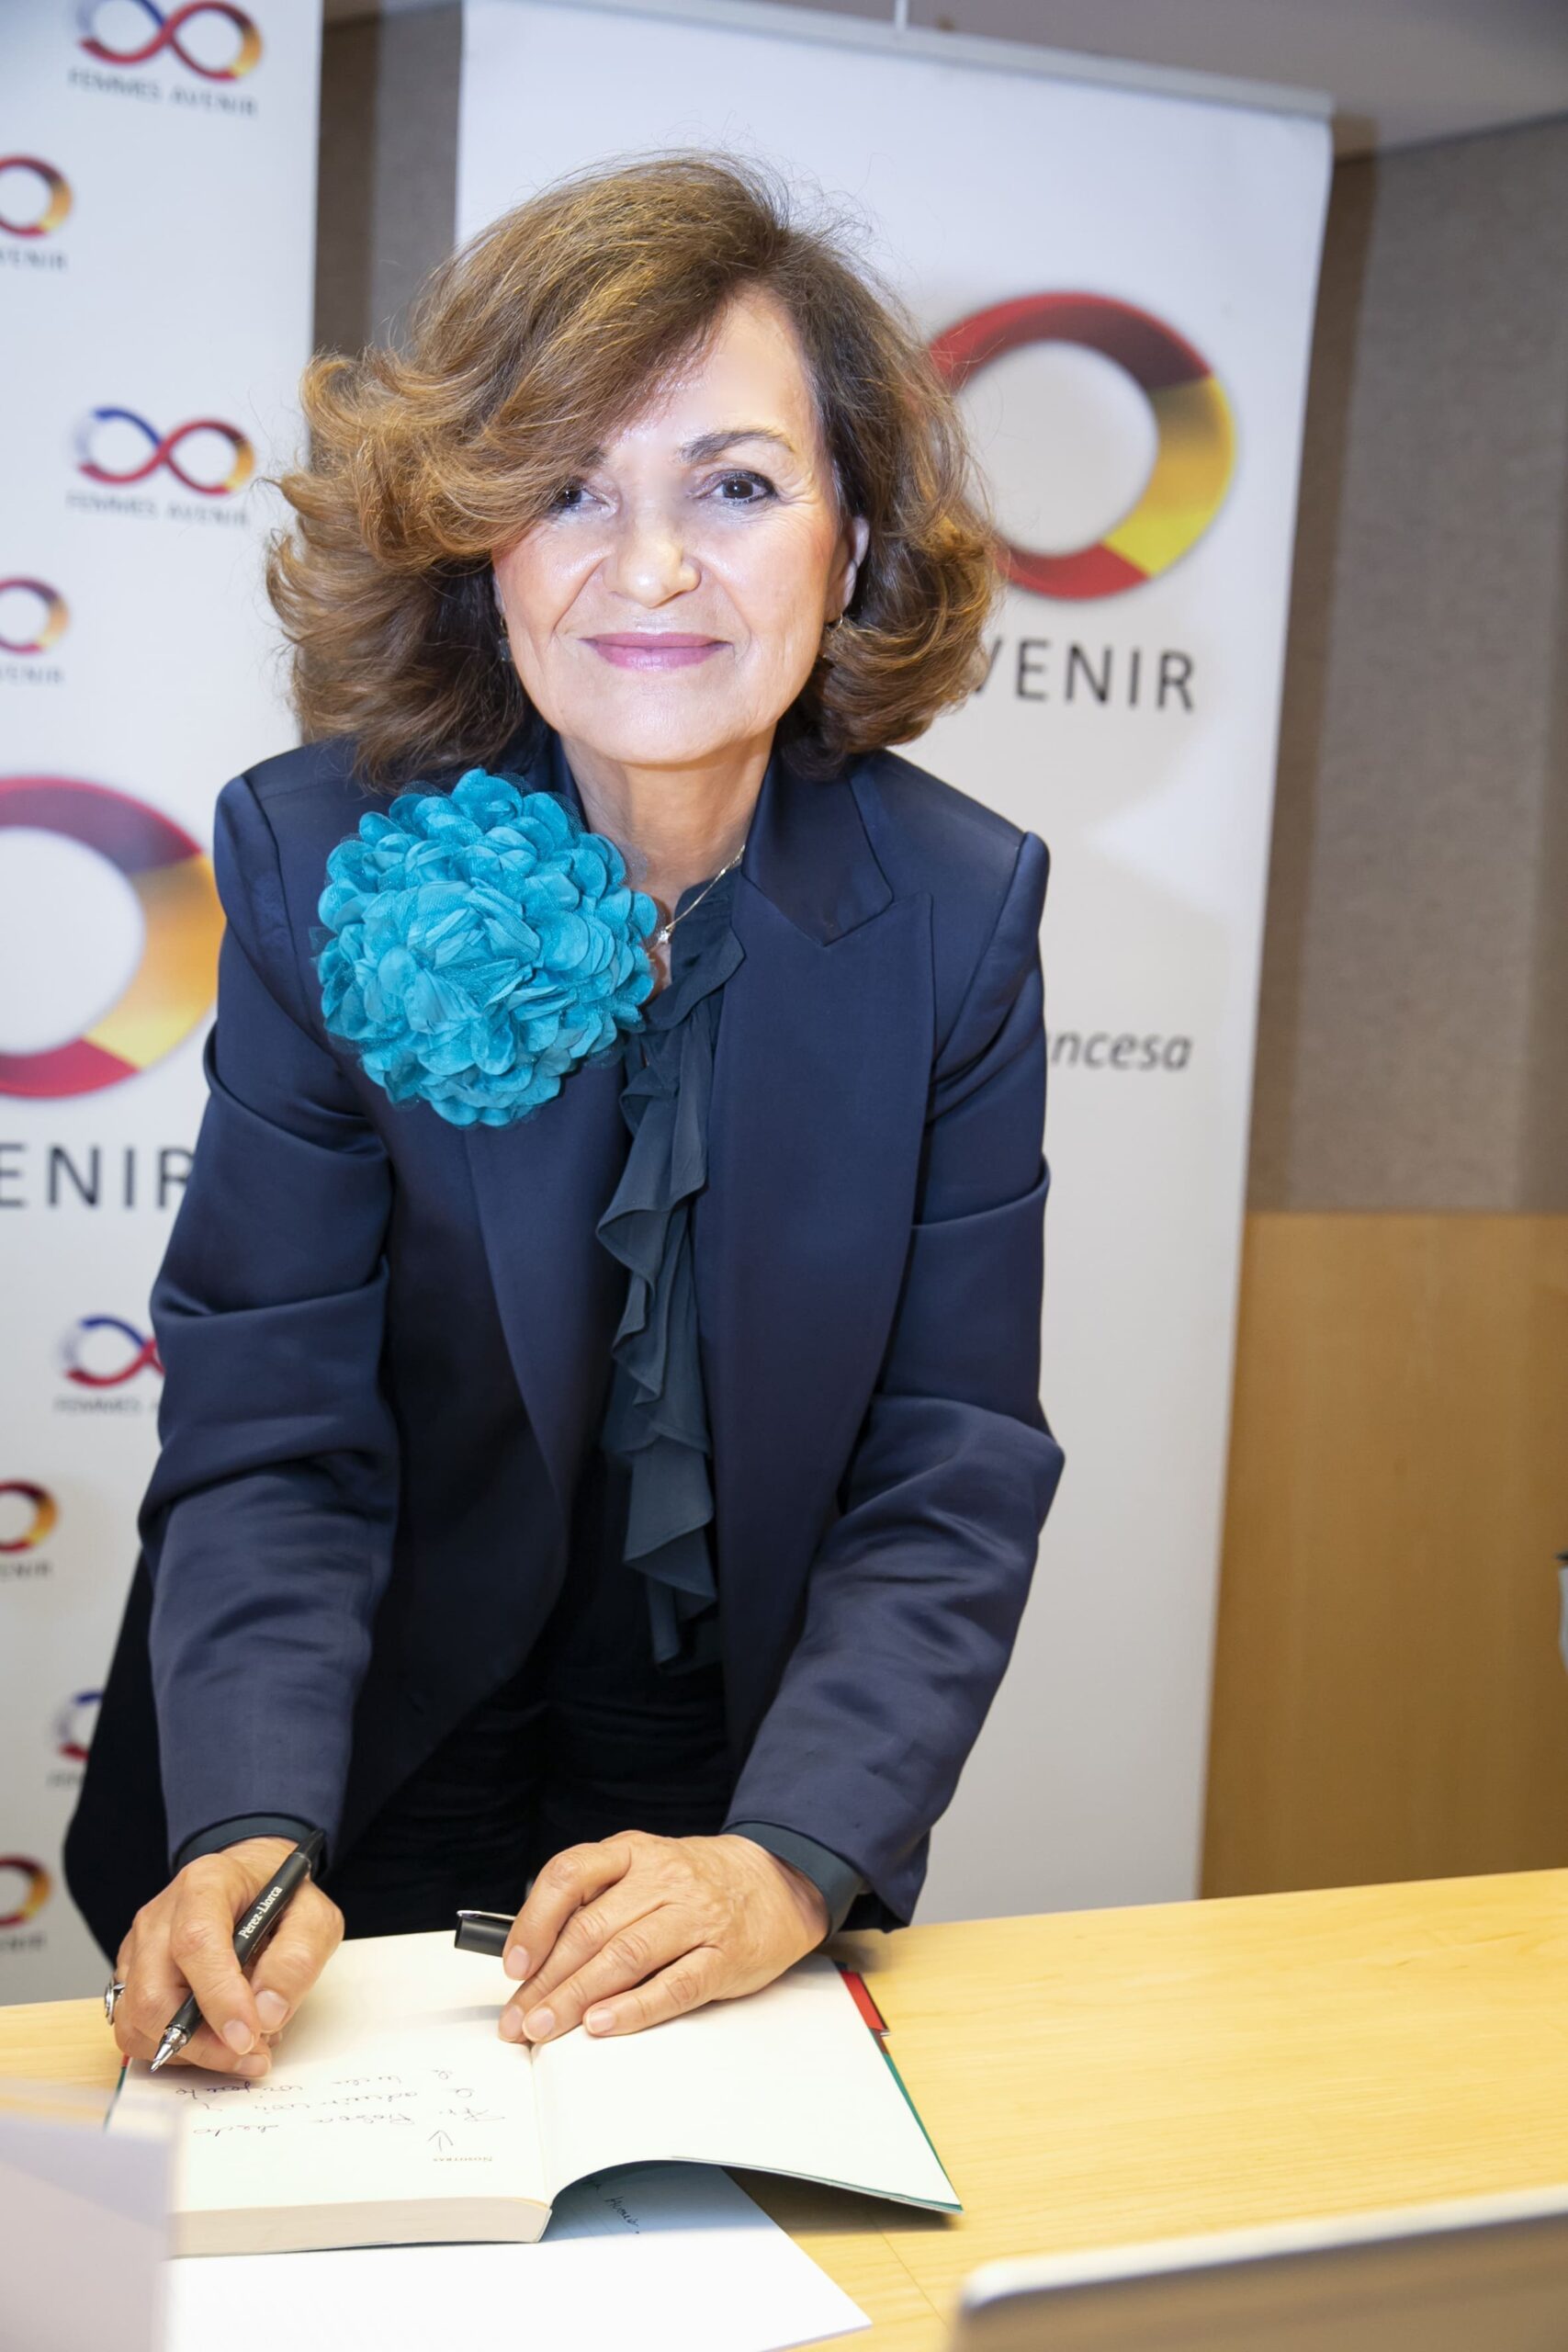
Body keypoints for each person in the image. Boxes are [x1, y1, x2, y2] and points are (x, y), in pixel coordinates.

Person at [67, 150, 1065, 2080]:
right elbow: (275, 1421)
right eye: (568, 490)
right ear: (479, 544)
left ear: (851, 535)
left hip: (718, 1801)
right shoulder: (316, 858)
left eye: (737, 486)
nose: (653, 568)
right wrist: (248, 1822)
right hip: (339, 1759)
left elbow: (947, 1458)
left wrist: (790, 1854)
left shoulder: (959, 917)